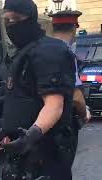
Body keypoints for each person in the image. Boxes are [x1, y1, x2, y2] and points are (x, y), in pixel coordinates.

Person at [0, 0, 77, 179]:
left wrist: (31, 136)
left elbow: (54, 105)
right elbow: (23, 101)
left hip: (45, 156)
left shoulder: (47, 52)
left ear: (31, 19)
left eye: (17, 18)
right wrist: (3, 132)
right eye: (7, 20)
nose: (11, 25)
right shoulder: (23, 53)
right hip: (24, 158)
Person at [49, 10, 91, 165]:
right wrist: (84, 112)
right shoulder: (66, 53)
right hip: (63, 125)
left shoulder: (38, 50)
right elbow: (75, 97)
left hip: (40, 123)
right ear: (74, 28)